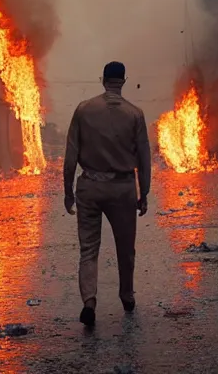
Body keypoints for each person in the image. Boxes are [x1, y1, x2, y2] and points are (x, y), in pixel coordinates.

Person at [63, 61, 151, 327]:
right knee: (126, 249)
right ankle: (127, 296)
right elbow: (145, 158)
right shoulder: (135, 114)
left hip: (89, 187)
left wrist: (68, 191)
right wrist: (143, 192)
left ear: (103, 80)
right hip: (122, 188)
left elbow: (70, 156)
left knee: (88, 249)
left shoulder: (83, 110)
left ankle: (89, 301)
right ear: (123, 81)